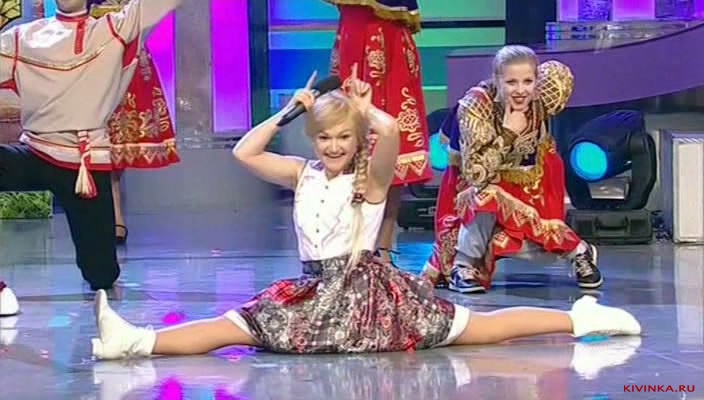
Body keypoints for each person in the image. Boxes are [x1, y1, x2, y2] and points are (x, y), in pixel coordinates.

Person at [89, 67, 641, 361]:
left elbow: (392, 133)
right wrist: (290, 110)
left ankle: (580, 319)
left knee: (481, 329)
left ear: (356, 141)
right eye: (324, 138)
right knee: (233, 326)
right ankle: (134, 342)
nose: (333, 146)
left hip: (368, 294)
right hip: (314, 290)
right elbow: (244, 152)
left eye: (342, 137)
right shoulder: (301, 172)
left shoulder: (369, 179)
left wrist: (363, 107)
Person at [0, 0, 183, 299]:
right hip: (35, 152)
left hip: (83, 165)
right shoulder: (22, 38)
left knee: (101, 275)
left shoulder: (115, 28)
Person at [422, 45, 602, 294]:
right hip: (475, 183)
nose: (520, 90)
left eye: (528, 81)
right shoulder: (476, 105)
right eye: (511, 82)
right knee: (486, 196)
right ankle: (463, 266)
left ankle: (579, 252)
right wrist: (508, 134)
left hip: (530, 177)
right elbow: (476, 173)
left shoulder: (543, 95)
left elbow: (560, 76)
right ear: (497, 80)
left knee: (532, 236)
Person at [325, 0, 432, 264]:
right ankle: (348, 246)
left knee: (395, 146)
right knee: (348, 137)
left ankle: (383, 246)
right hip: (355, 32)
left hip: (392, 36)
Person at [90, 0, 180, 245]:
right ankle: (108, 212)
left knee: (118, 140)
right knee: (96, 136)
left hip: (127, 50)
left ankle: (115, 212)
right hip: (92, 49)